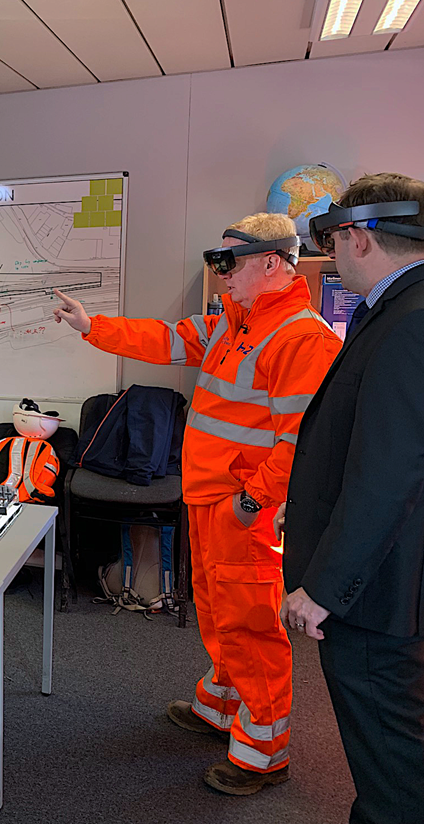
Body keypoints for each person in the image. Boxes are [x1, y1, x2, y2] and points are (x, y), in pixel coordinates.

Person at [53, 213, 342, 794]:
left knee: (251, 623)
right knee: (215, 610)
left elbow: (298, 445)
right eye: (217, 261)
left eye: (227, 263)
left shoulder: (301, 339)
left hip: (242, 509)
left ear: (272, 263)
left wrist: (251, 505)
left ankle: (263, 752)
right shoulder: (233, 321)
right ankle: (221, 706)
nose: (219, 274)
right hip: (208, 498)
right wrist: (92, 326)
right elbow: (163, 339)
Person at [278, 173, 424, 823]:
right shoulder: (399, 313)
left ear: (357, 237)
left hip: (377, 597)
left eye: (333, 242)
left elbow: (390, 473)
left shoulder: (408, 325)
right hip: (390, 575)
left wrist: (325, 588)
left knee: (391, 767)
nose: (330, 259)